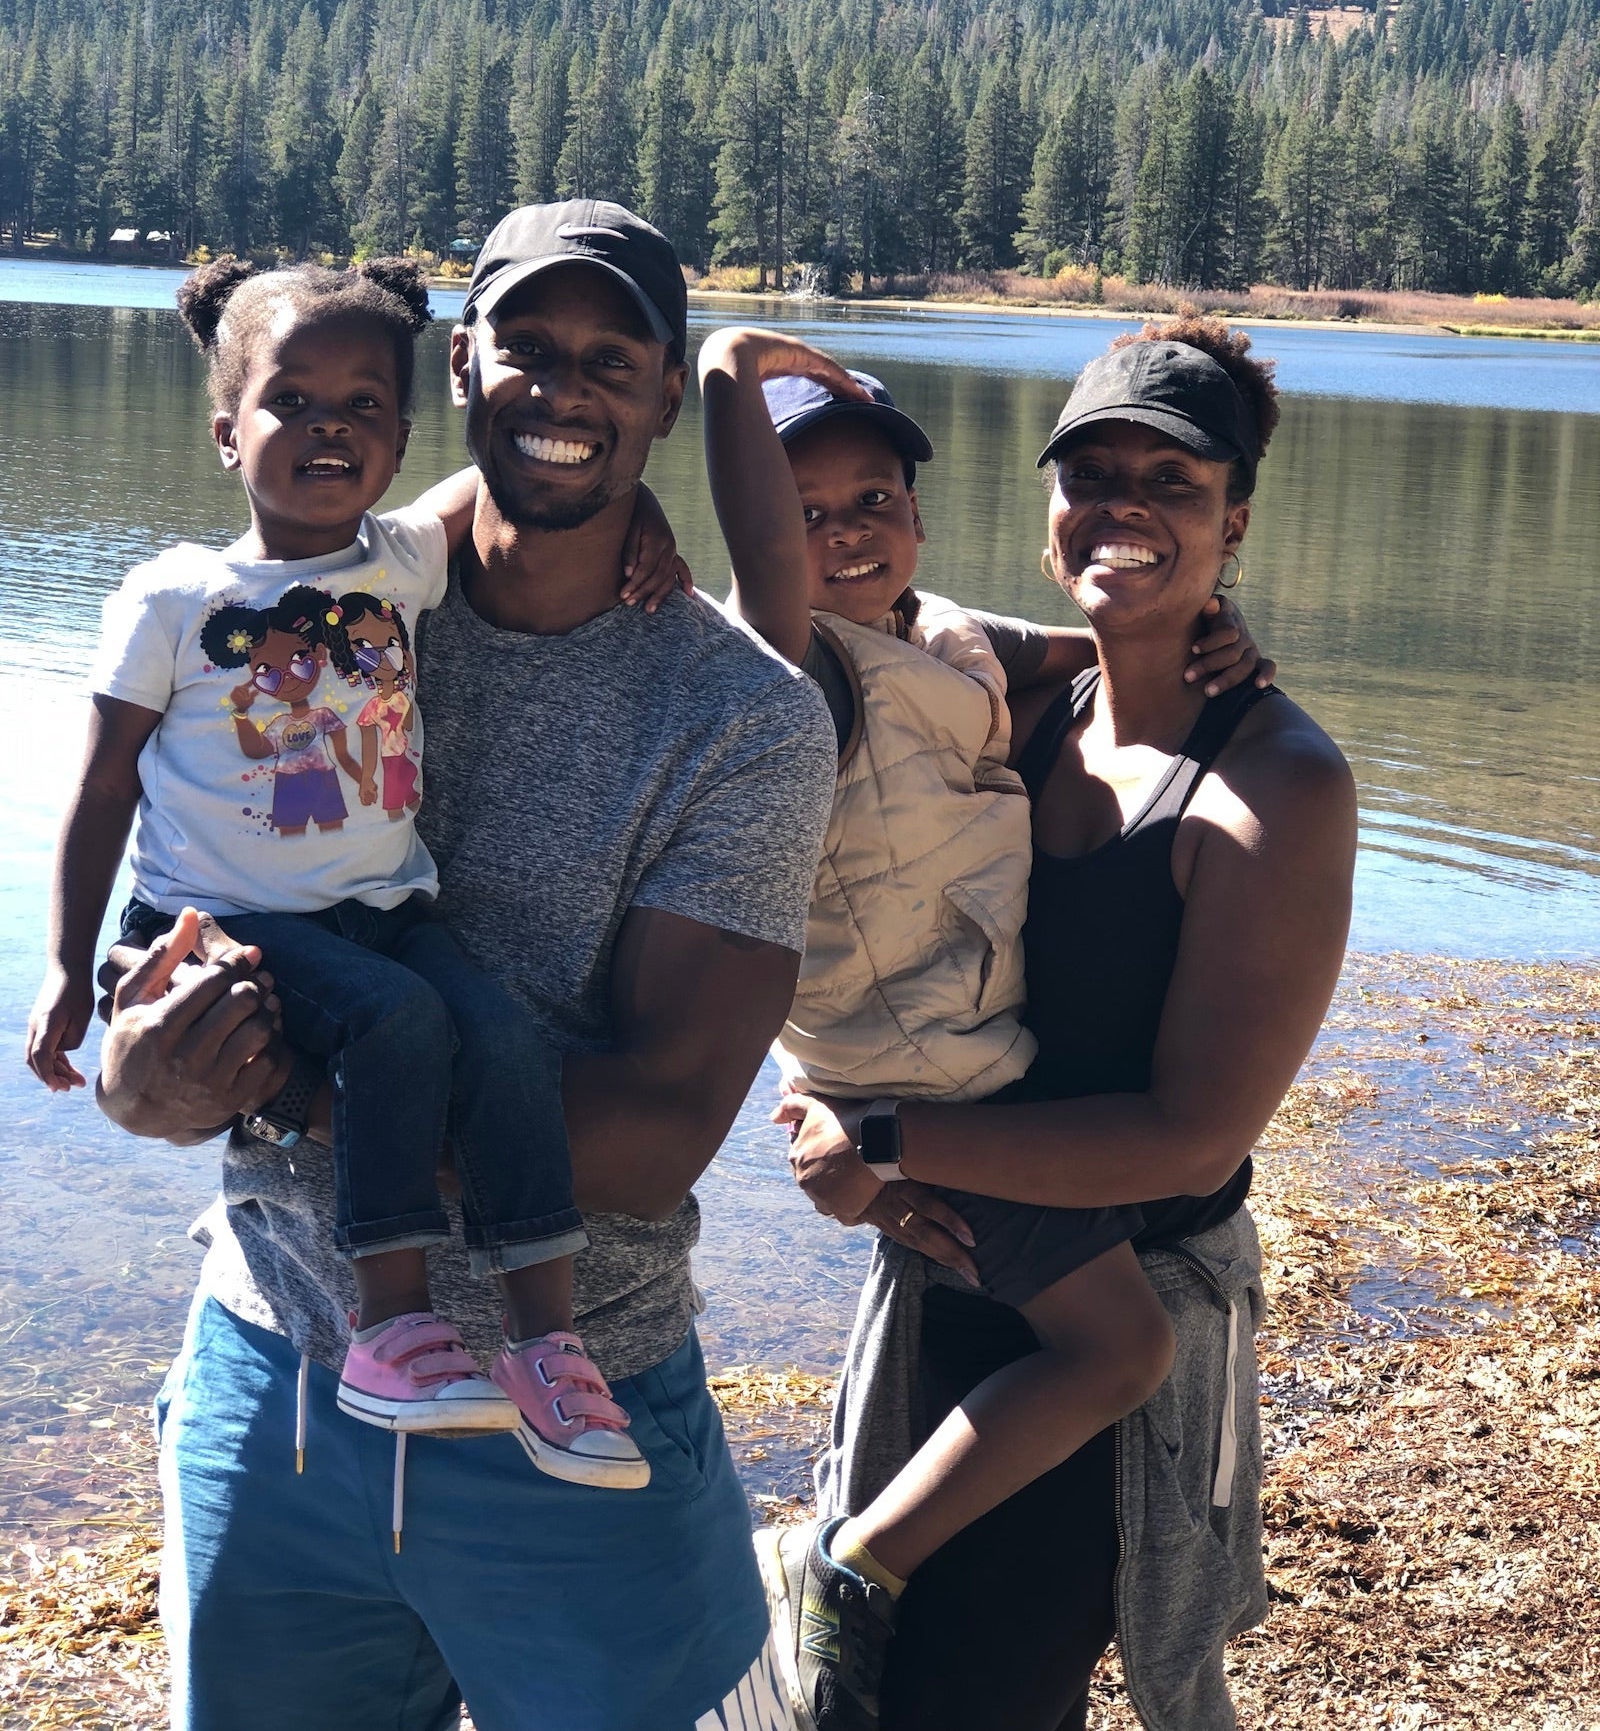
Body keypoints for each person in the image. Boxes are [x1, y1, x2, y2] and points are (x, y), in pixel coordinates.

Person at [88, 201, 838, 1731]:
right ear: (461, 371)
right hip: (276, 1385)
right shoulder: (342, 613)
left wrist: (284, 1084)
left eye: (611, 360)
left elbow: (656, 1133)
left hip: (578, 1421)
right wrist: (140, 1072)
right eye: (529, 348)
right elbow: (162, 937)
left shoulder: (743, 722)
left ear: (662, 389)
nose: (564, 391)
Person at [773, 318, 1357, 1731]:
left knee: (969, 1694)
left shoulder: (1273, 788)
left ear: (1235, 524)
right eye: (1093, 472)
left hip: (1113, 1339)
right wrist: (814, 1113)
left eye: (1175, 481)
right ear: (1046, 512)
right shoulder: (1014, 705)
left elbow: (1189, 1137)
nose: (1127, 507)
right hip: (950, 1290)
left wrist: (890, 1142)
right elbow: (863, 925)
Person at [27, 253, 687, 1484]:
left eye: (364, 408)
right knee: (396, 1028)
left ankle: (546, 1348)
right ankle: (391, 1325)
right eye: (292, 403)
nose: (329, 427)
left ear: (396, 437)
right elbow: (104, 782)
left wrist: (638, 509)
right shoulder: (175, 595)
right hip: (228, 918)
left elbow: (525, 495)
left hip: (381, 905)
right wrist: (70, 967)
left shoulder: (404, 562)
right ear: (228, 433)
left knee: (495, 1035)